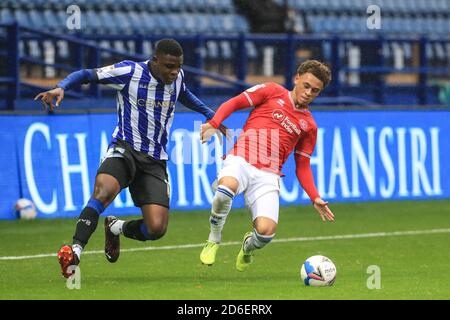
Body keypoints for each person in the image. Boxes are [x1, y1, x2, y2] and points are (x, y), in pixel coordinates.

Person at [34, 39, 226, 278]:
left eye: (178, 67)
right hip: (125, 149)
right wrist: (61, 86)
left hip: (155, 160)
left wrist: (212, 116)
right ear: (155, 61)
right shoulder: (129, 72)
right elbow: (87, 74)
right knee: (103, 192)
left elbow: (185, 95)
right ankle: (75, 251)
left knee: (156, 228)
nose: (174, 72)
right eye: (169, 66)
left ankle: (115, 227)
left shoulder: (177, 78)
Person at [199, 60, 335, 271]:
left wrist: (314, 196)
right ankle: (213, 238)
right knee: (225, 189)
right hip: (241, 160)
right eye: (306, 86)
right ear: (296, 78)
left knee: (265, 233)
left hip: (268, 175)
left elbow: (303, 166)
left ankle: (248, 247)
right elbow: (234, 103)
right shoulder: (272, 91)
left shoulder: (309, 126)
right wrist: (214, 123)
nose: (309, 92)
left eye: (315, 91)